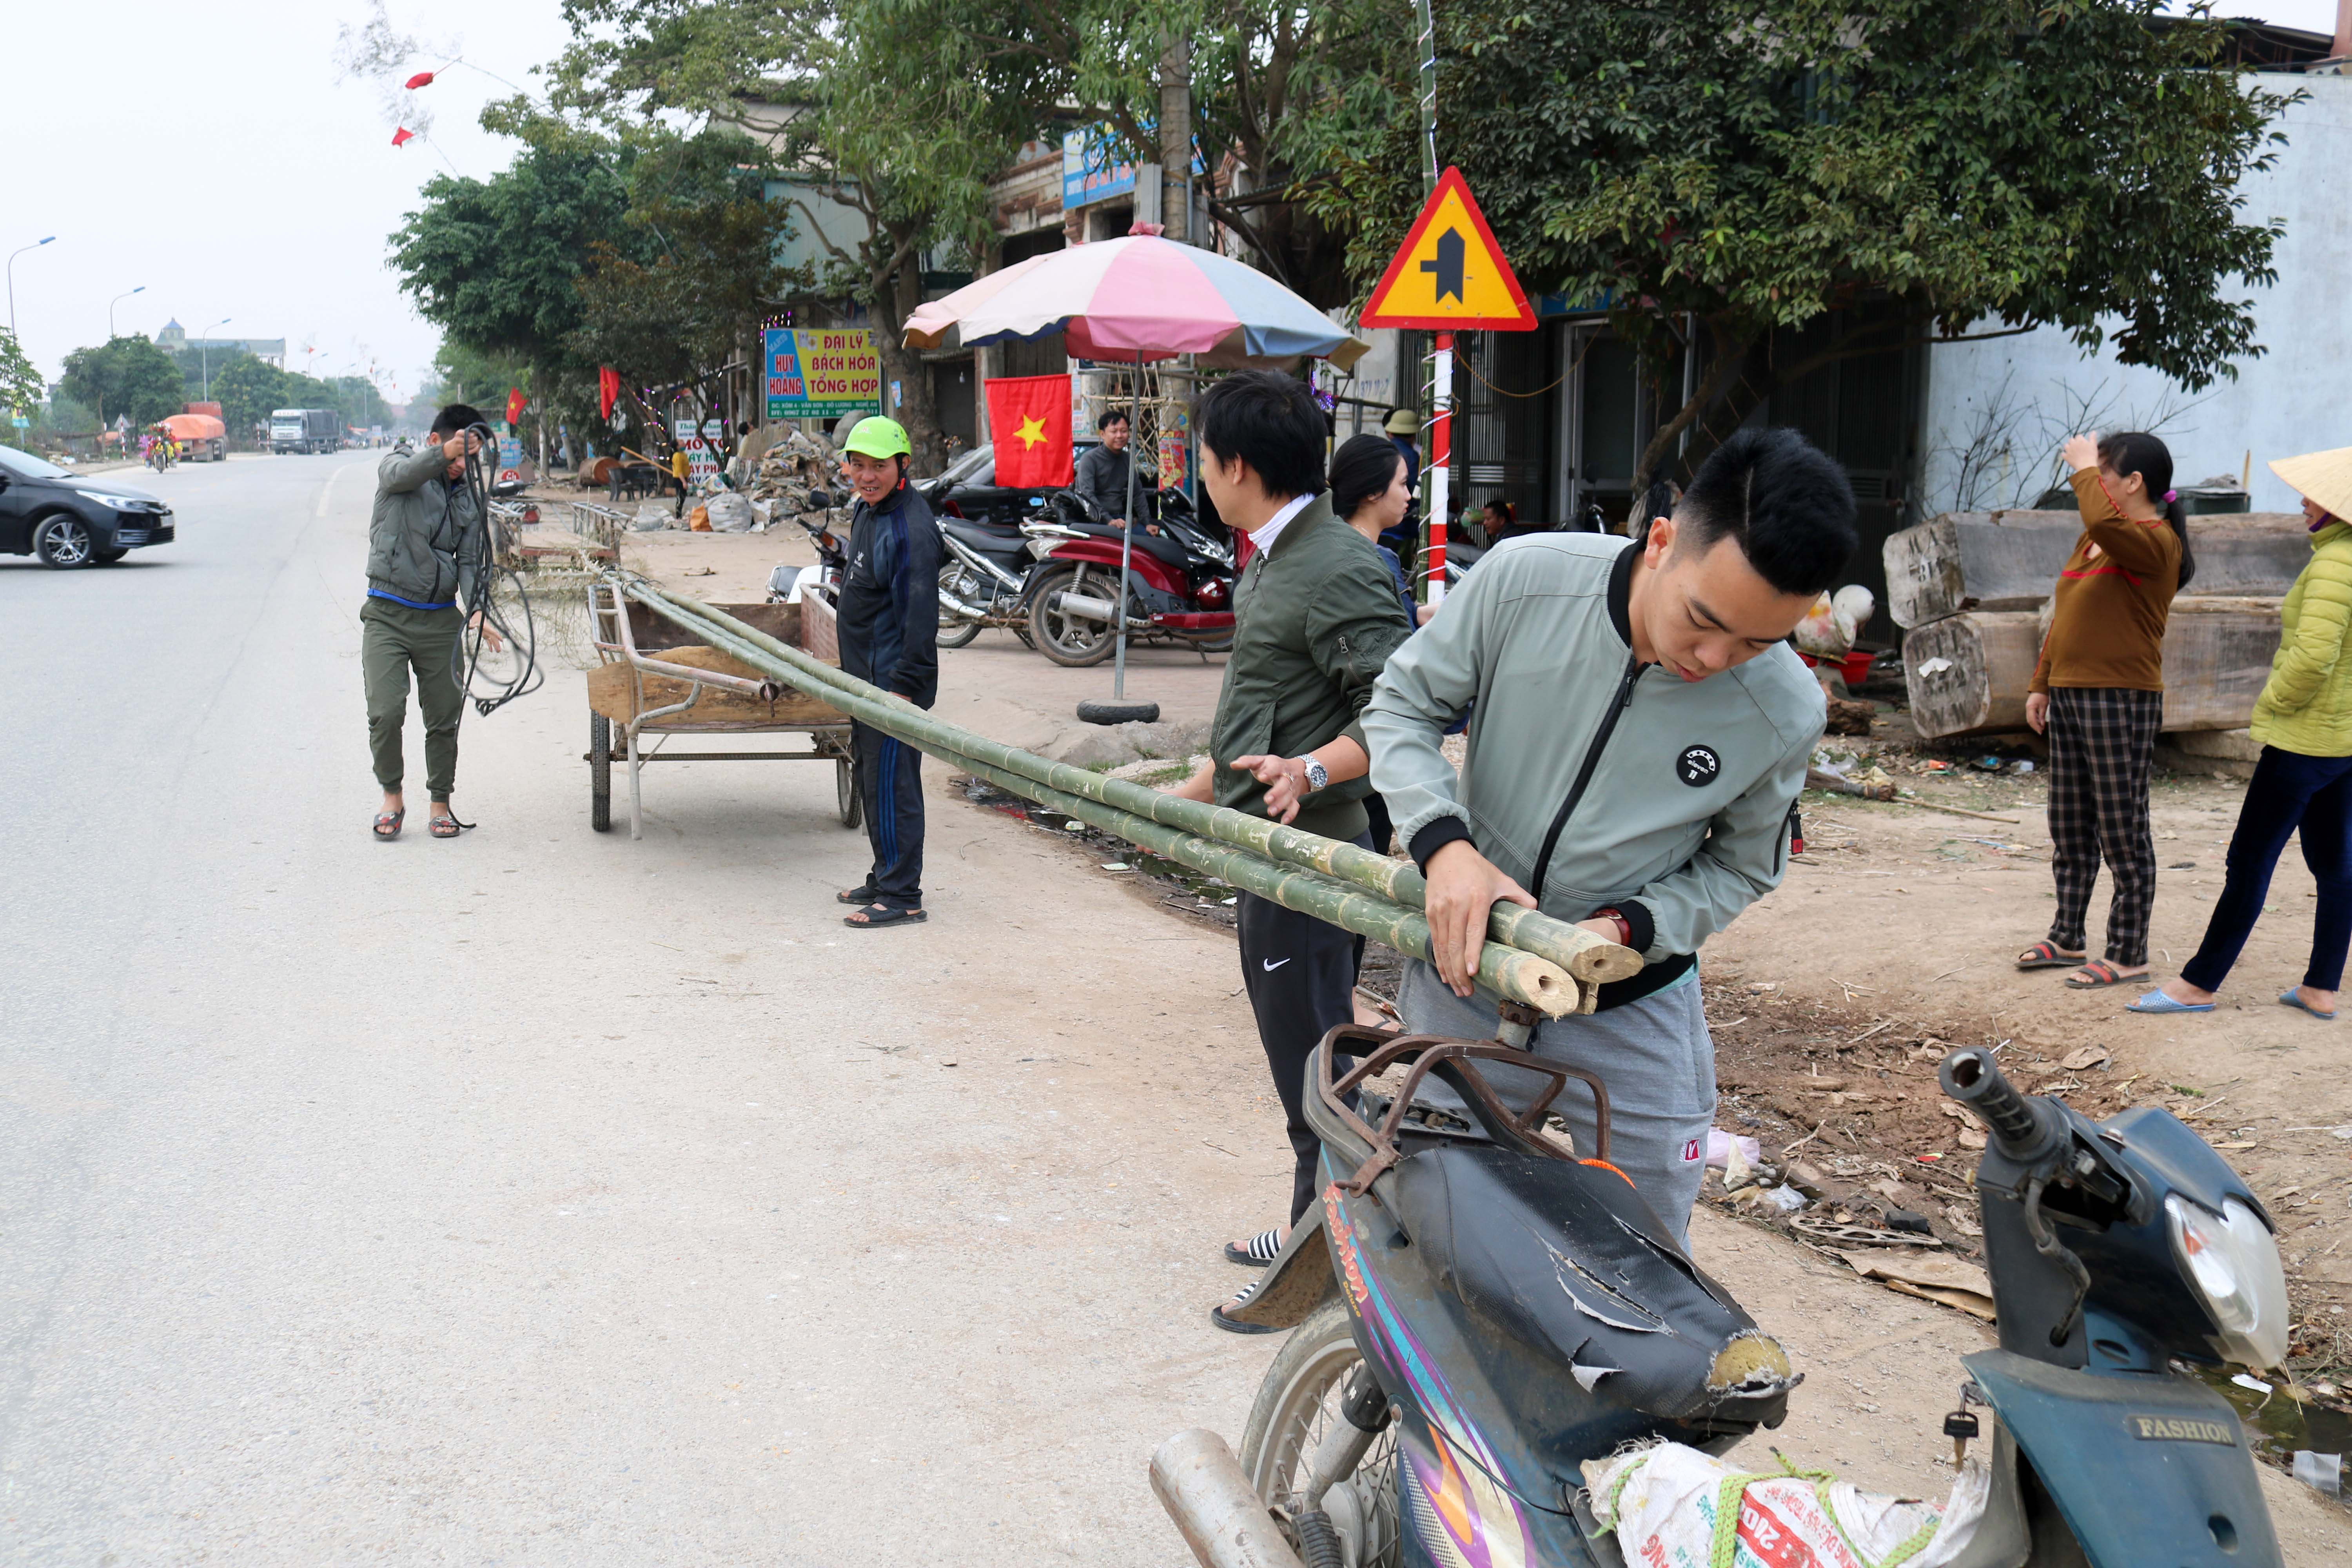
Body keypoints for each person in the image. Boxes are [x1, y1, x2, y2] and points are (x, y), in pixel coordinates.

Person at [1363, 426, 1855, 1242]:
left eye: (1756, 642)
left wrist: (1627, 927)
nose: (1715, 657)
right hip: (1469, 970)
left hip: (1631, 998)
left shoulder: (1786, 708)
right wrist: (1444, 845)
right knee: (1424, 1216)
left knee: (1644, 1253)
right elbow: (1402, 704)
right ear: (1661, 540)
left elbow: (1741, 866)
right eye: (1704, 619)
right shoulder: (1525, 580)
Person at [1163, 374, 1414, 1328]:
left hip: (1312, 866)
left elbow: (1399, 712)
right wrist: (1185, 794)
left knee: (1317, 1075)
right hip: (1265, 851)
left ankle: (1319, 1280)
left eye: (1197, 452)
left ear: (1235, 465)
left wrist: (1310, 771)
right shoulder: (1273, 555)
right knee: (1300, 1063)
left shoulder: (1335, 565)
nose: (1191, 468)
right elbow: (1265, 709)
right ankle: (1310, 1227)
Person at [2133, 446, 2352, 1020]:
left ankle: (2199, 984)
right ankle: (2321, 988)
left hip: (2304, 741)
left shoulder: (2336, 565)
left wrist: (2273, 704)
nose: (2304, 502)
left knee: (2249, 860)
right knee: (2335, 864)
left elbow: (2312, 660)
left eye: (2316, 496)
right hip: (2342, 744)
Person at [2013, 432, 2194, 989]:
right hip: (2071, 693)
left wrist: (2082, 471)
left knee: (2122, 829)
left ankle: (2128, 951)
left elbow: (2108, 523)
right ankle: (2068, 935)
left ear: (2133, 482)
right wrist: (2041, 684)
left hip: (2121, 698)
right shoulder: (2094, 539)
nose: (2096, 482)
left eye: (2104, 473)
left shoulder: (2155, 541)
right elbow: (2065, 617)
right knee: (2069, 825)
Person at [365, 405, 501, 841]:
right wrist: (445, 454)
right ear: (435, 441)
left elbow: (468, 558)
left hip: (441, 619)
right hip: (387, 613)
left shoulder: (469, 495)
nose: (463, 466)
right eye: (458, 454)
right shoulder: (401, 465)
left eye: (469, 457)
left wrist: (477, 609)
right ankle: (392, 796)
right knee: (385, 712)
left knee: (444, 717)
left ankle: (440, 803)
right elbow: (398, 477)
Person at [832, 415, 943, 929]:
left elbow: (919, 620)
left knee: (895, 784)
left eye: (878, 466)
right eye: (858, 465)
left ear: (903, 466)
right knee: (871, 777)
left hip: (893, 686)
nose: (866, 475)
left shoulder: (910, 530)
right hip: (865, 680)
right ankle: (884, 875)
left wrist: (903, 691)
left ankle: (903, 896)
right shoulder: (869, 510)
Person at [1073, 407, 1140, 524]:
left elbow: (1138, 493)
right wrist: (1109, 520)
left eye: (1124, 431)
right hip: (1094, 520)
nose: (1120, 436)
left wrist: (1148, 522)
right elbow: (1087, 494)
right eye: (1114, 432)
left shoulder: (1128, 458)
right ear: (1103, 434)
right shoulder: (1089, 459)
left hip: (1120, 518)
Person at [669, 444, 692, 517]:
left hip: (683, 478)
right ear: (677, 446)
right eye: (681, 442)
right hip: (679, 479)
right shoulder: (677, 456)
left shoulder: (683, 455)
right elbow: (679, 471)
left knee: (683, 498)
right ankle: (678, 517)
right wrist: (684, 482)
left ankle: (679, 516)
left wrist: (686, 478)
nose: (684, 443)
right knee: (680, 499)